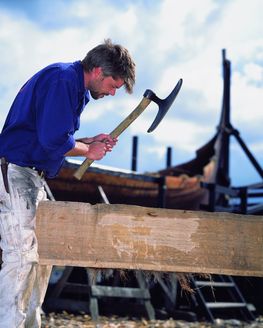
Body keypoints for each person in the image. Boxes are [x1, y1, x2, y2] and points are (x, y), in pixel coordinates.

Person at [0, 39, 136, 328]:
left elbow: (50, 134)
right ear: (98, 71)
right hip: (15, 171)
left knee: (43, 255)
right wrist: (89, 151)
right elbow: (52, 140)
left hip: (31, 175)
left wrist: (87, 141)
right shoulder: (63, 79)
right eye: (113, 85)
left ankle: (29, 323)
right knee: (21, 257)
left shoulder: (74, 86)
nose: (113, 93)